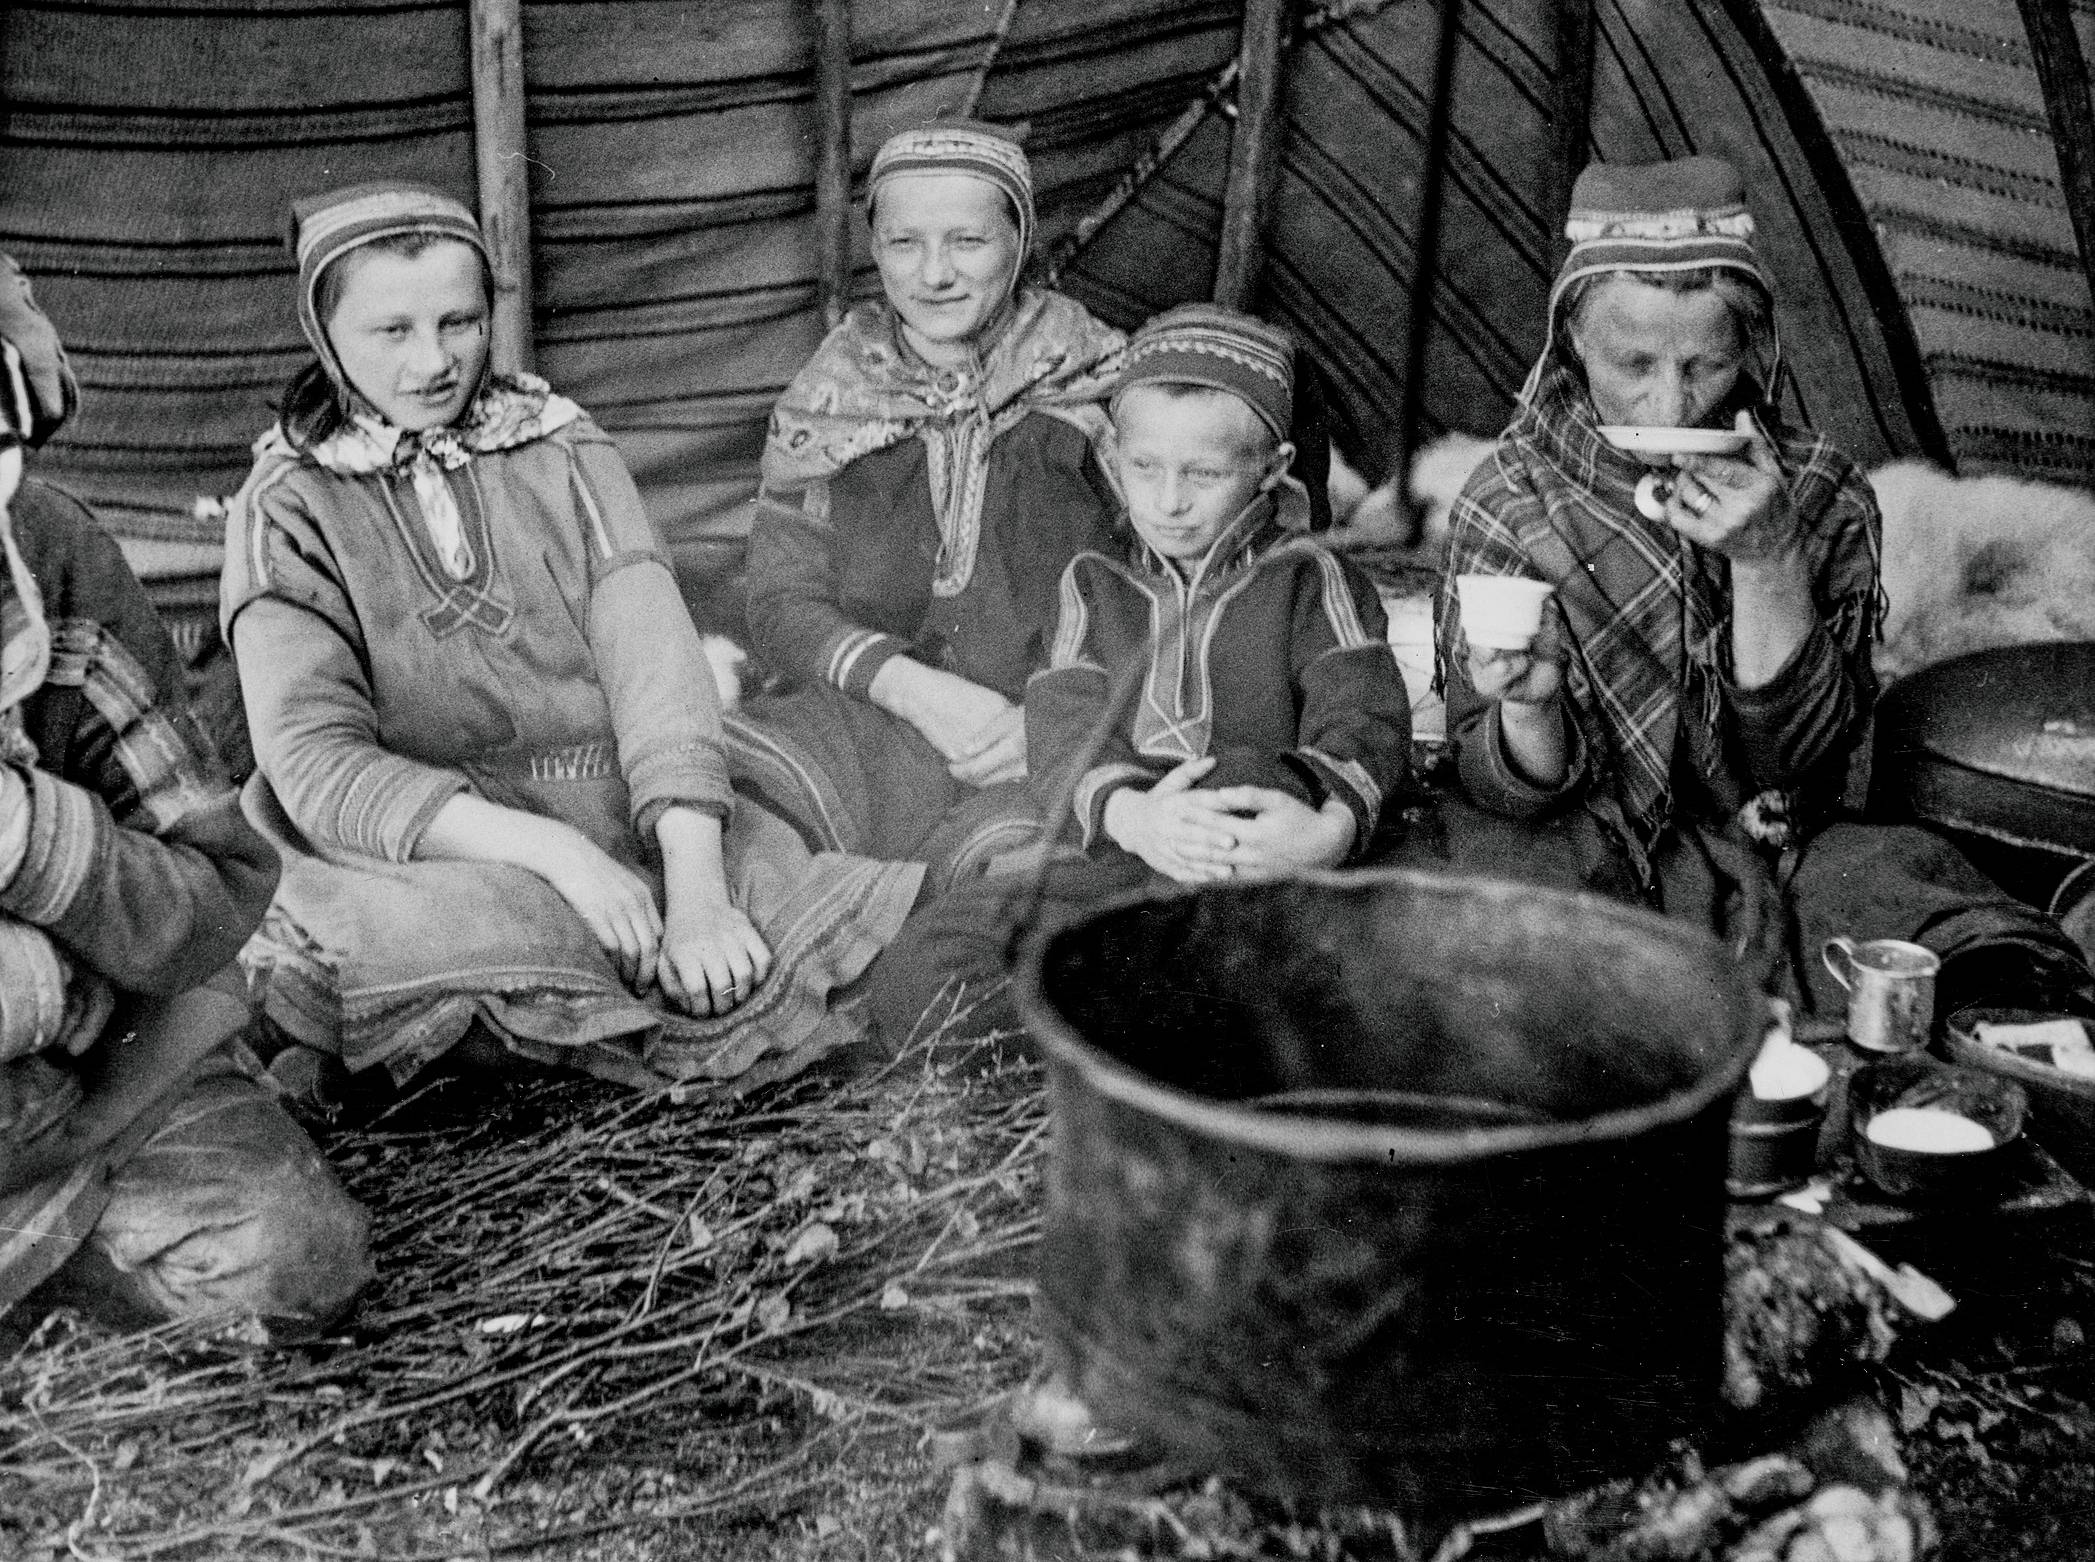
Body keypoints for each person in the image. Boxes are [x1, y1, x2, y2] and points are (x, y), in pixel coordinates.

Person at [222, 183, 922, 1094]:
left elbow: (656, 667)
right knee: (400, 956)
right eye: (390, 332)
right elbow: (314, 761)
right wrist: (564, 860)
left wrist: (696, 890)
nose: (434, 361)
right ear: (325, 334)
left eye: (459, 322)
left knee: (779, 936)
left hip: (624, 798)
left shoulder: (560, 448)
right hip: (439, 844)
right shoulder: (287, 503)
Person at [1422, 155, 2095, 1026]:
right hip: (1569, 832)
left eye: (1703, 364)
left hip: (1769, 840)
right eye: (1632, 363)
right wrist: (1527, 709)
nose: (1670, 403)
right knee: (1499, 939)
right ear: (1571, 342)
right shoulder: (1508, 497)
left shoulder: (1818, 491)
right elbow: (1494, 782)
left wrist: (1767, 557)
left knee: (1920, 924)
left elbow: (1801, 772)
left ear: (1752, 347)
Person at [864, 305, 1411, 1049]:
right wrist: (1132, 818)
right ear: (1113, 456)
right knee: (920, 972)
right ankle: (1157, 1027)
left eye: (1205, 474)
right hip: (1132, 859)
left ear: (1271, 469)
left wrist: (1327, 834)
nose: (1170, 501)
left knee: (1240, 781)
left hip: (1261, 866)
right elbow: (1062, 731)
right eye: (1144, 468)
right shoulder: (1093, 584)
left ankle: (1174, 1018)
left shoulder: (1310, 578)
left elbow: (1363, 720)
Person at [0, 255, 371, 1332]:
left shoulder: (53, 556)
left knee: (294, 1258)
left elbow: (216, 887)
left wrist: (29, 839)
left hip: (77, 1080)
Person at [727, 120, 1128, 896]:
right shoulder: (830, 400)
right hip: (875, 722)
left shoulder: (1103, 389)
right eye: (904, 243)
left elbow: (1174, 587)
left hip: (1050, 734)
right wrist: (913, 689)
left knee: (1026, 894)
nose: (933, 274)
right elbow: (780, 603)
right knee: (722, 821)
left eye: (968, 242)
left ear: (1021, 240)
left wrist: (1050, 724)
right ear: (873, 246)